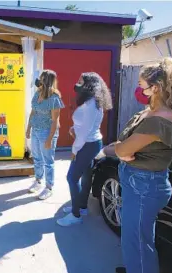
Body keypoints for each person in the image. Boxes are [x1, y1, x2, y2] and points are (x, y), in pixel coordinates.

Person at [99, 57, 172, 273]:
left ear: (157, 88)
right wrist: (120, 150)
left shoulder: (161, 119)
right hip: (139, 183)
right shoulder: (151, 112)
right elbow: (123, 146)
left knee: (138, 244)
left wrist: (117, 151)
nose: (139, 90)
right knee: (136, 238)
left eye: (142, 87)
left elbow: (123, 149)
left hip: (144, 186)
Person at [57, 72, 113, 226]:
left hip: (87, 144)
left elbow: (84, 133)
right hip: (91, 142)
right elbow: (86, 126)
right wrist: (74, 127)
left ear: (88, 85)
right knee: (86, 176)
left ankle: (75, 216)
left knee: (72, 178)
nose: (77, 83)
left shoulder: (91, 105)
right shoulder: (93, 102)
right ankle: (81, 207)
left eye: (80, 81)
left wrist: (74, 151)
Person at [26, 70, 64, 200]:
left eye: (41, 78)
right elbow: (33, 111)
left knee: (48, 161)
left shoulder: (54, 99)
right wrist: (28, 128)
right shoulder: (37, 94)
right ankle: (38, 180)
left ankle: (49, 187)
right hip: (35, 130)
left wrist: (49, 139)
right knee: (37, 158)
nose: (38, 81)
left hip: (46, 132)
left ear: (46, 81)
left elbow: (55, 121)